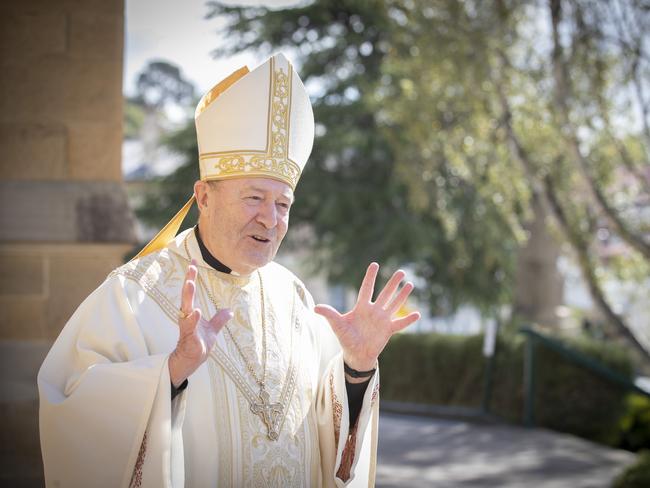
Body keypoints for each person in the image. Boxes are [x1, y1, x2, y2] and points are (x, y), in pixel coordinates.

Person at [38, 53, 420, 487]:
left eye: (283, 205)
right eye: (254, 198)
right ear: (203, 197)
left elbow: (322, 431)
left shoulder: (293, 297)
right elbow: (71, 408)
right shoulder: (132, 295)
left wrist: (356, 368)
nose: (270, 220)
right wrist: (169, 375)